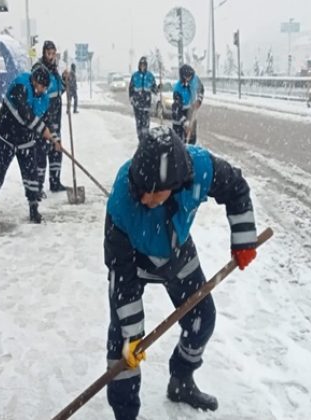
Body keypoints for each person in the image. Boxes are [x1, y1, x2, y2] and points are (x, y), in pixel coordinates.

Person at [103, 126, 258, 419]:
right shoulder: (122, 206)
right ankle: (125, 414)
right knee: (123, 346)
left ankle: (181, 380)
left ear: (174, 183)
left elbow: (235, 187)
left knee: (202, 319)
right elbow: (122, 280)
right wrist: (134, 335)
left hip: (177, 251)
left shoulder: (199, 168)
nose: (145, 199)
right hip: (132, 265)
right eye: (141, 191)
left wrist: (243, 238)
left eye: (153, 194)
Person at [0, 66, 61, 224]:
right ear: (34, 80)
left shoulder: (43, 97)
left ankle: (33, 208)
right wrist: (43, 129)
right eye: (41, 86)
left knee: (31, 174)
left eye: (45, 88)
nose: (42, 90)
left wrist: (53, 137)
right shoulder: (20, 85)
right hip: (6, 137)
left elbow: (46, 119)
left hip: (26, 140)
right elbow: (25, 114)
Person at [32, 41, 67, 195]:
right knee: (41, 152)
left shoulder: (54, 71)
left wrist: (66, 80)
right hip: (44, 116)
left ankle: (55, 182)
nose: (51, 57)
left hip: (56, 116)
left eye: (53, 53)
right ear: (44, 53)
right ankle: (38, 187)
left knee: (56, 150)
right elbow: (36, 92)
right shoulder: (39, 69)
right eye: (49, 53)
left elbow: (60, 91)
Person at [172, 64, 204, 145]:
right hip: (179, 116)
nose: (190, 79)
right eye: (187, 77)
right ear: (183, 77)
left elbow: (201, 89)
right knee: (179, 142)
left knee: (191, 138)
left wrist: (199, 100)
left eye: (191, 76)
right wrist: (185, 123)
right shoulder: (178, 89)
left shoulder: (195, 79)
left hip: (191, 112)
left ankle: (190, 152)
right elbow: (177, 110)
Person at [128, 57, 158, 139]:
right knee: (139, 123)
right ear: (139, 65)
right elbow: (131, 89)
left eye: (144, 65)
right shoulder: (135, 76)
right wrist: (132, 99)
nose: (142, 66)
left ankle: (145, 139)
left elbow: (154, 88)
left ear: (146, 65)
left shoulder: (150, 76)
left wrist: (158, 88)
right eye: (141, 65)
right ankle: (140, 138)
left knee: (146, 123)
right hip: (137, 104)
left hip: (146, 103)